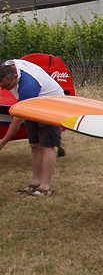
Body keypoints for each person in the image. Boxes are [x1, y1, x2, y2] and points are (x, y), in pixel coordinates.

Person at [0, 58, 65, 197]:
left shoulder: (28, 84)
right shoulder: (6, 68)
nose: (4, 89)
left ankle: (45, 186)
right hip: (32, 104)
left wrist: (3, 141)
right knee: (34, 145)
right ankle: (35, 183)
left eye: (6, 86)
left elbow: (18, 118)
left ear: (16, 77)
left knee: (47, 145)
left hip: (51, 104)